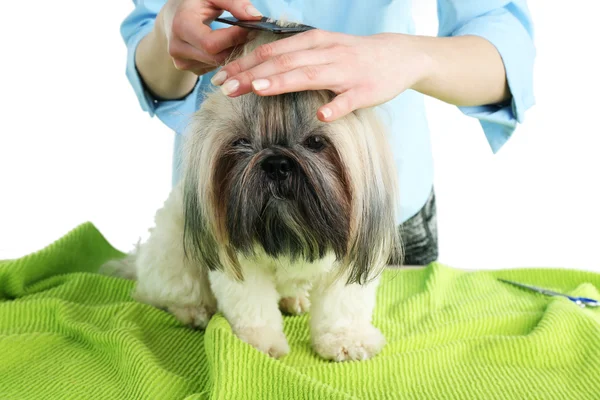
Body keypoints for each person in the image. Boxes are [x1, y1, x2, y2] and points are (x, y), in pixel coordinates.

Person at [121, 0, 535, 266]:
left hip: (376, 214)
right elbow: (156, 71)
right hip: (227, 213)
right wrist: (166, 32)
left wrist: (412, 56)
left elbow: (502, 45)